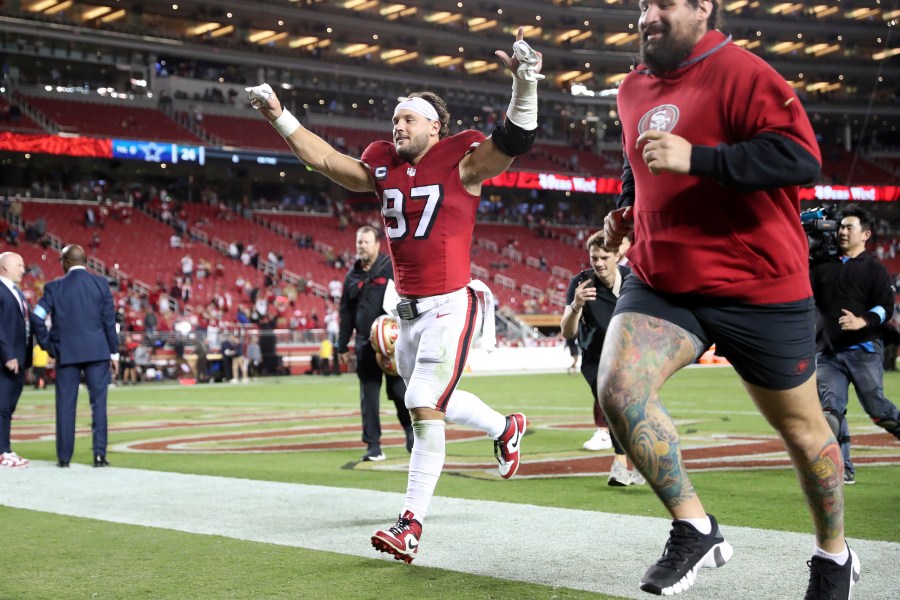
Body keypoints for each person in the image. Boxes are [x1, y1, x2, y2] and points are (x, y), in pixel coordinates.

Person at [249, 26, 541, 564]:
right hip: (405, 312)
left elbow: (514, 140)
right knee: (438, 400)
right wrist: (279, 116)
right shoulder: (384, 167)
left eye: (407, 119)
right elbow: (326, 161)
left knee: (420, 403)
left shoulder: (462, 160)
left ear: (434, 125)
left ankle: (410, 524)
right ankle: (506, 427)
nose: (396, 126)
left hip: (452, 303)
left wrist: (526, 82)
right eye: (394, 120)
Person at [599, 1, 859, 597]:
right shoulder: (632, 87)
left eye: (664, 3)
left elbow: (801, 157)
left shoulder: (743, 72)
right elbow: (637, 169)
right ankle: (695, 528)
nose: (648, 15)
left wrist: (701, 158)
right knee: (619, 388)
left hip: (757, 284)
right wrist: (618, 219)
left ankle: (834, 555)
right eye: (642, 5)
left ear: (701, 8)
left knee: (804, 432)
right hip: (662, 279)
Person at [811, 206, 900, 486]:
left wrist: (863, 321)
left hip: (863, 350)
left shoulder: (874, 269)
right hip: (826, 353)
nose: (843, 232)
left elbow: (887, 308)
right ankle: (843, 467)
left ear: (866, 234)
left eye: (850, 227)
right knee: (831, 411)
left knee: (879, 410)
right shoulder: (820, 266)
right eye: (841, 227)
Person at [560, 232, 645, 487]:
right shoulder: (581, 283)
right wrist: (576, 306)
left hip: (630, 355)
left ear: (617, 256)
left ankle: (638, 461)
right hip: (595, 357)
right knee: (610, 402)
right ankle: (621, 462)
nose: (598, 263)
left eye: (604, 257)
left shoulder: (635, 280)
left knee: (631, 408)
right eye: (593, 257)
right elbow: (567, 331)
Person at [32, 244, 118, 468]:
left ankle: (64, 457)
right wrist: (114, 353)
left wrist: (49, 346)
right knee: (99, 405)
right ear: (85, 261)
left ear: (66, 262)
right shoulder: (100, 284)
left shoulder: (54, 287)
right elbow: (109, 322)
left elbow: (36, 317)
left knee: (65, 406)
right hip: (97, 352)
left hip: (67, 353)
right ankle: (99, 456)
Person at [337, 226, 414, 462]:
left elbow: (408, 298)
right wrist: (342, 346)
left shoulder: (391, 267)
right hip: (363, 346)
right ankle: (373, 445)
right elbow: (346, 312)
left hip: (392, 346)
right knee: (368, 397)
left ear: (377, 245)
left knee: (399, 392)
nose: (361, 246)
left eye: (366, 242)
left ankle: (411, 432)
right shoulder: (351, 276)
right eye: (359, 242)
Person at [0, 252, 32, 468]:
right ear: (4, 266)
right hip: (6, 359)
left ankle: (5, 448)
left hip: (19, 359)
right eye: (18, 264)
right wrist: (8, 354)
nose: (23, 269)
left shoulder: (15, 291)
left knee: (7, 407)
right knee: (2, 406)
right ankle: (2, 451)